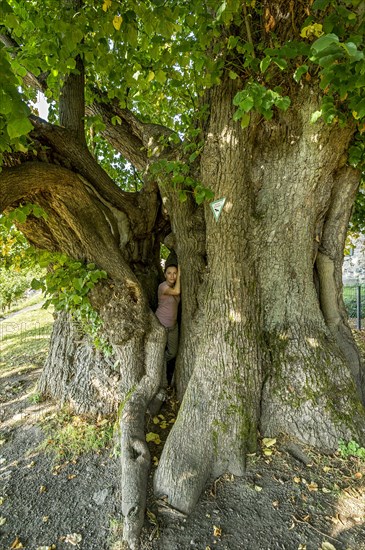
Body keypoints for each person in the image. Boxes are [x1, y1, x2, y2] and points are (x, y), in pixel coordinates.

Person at [155, 263, 181, 388]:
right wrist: (180, 275)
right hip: (161, 325)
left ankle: (160, 363)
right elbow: (177, 291)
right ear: (165, 274)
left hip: (173, 327)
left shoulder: (175, 285)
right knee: (159, 351)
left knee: (172, 352)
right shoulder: (163, 286)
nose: (172, 275)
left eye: (175, 273)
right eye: (169, 273)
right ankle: (161, 380)